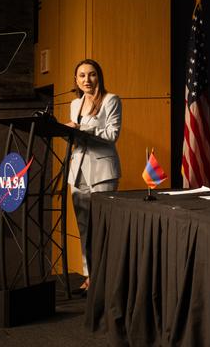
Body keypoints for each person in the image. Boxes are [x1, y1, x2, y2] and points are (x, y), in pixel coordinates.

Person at [65, 58, 121, 291]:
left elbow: (112, 134)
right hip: (77, 171)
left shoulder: (111, 100)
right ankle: (90, 274)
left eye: (91, 74)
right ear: (76, 80)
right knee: (84, 226)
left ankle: (106, 276)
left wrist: (82, 129)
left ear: (99, 76)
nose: (87, 80)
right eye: (82, 76)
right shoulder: (74, 104)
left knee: (103, 226)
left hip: (102, 172)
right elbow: (76, 136)